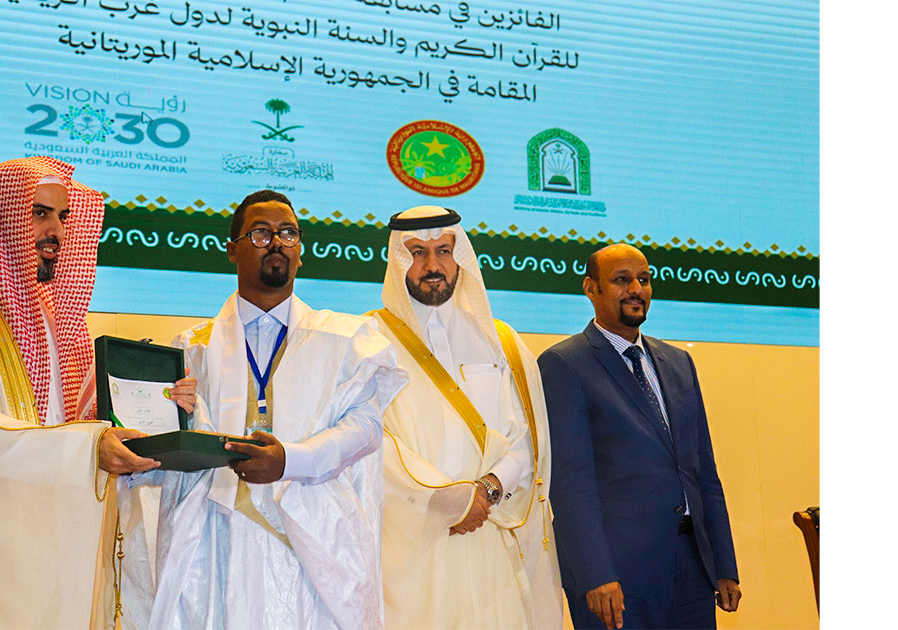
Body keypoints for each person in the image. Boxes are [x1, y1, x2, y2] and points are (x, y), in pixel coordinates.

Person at [0, 156, 195, 628]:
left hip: (52, 545)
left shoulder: (56, 316)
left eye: (63, 216)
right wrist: (87, 448)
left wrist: (161, 403)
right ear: (0, 217)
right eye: (39, 213)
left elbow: (82, 420)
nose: (56, 231)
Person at [133, 189, 407, 629]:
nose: (277, 243)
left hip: (313, 540)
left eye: (288, 234)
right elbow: (170, 443)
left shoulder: (343, 340)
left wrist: (291, 460)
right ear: (232, 249)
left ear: (300, 251)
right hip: (217, 538)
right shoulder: (192, 347)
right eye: (261, 233)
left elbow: (367, 426)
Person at [369, 206, 564, 628]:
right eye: (417, 252)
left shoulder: (500, 341)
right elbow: (370, 443)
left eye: (444, 251)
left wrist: (487, 491)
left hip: (489, 534)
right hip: (410, 546)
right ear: (398, 260)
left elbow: (527, 438)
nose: (432, 265)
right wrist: (449, 501)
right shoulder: (369, 342)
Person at [537, 243, 741, 630]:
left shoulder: (678, 362)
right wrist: (595, 574)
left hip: (692, 569)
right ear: (590, 288)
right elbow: (569, 481)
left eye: (644, 280)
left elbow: (704, 471)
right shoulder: (564, 364)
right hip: (617, 575)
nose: (636, 289)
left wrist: (723, 564)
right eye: (621, 280)